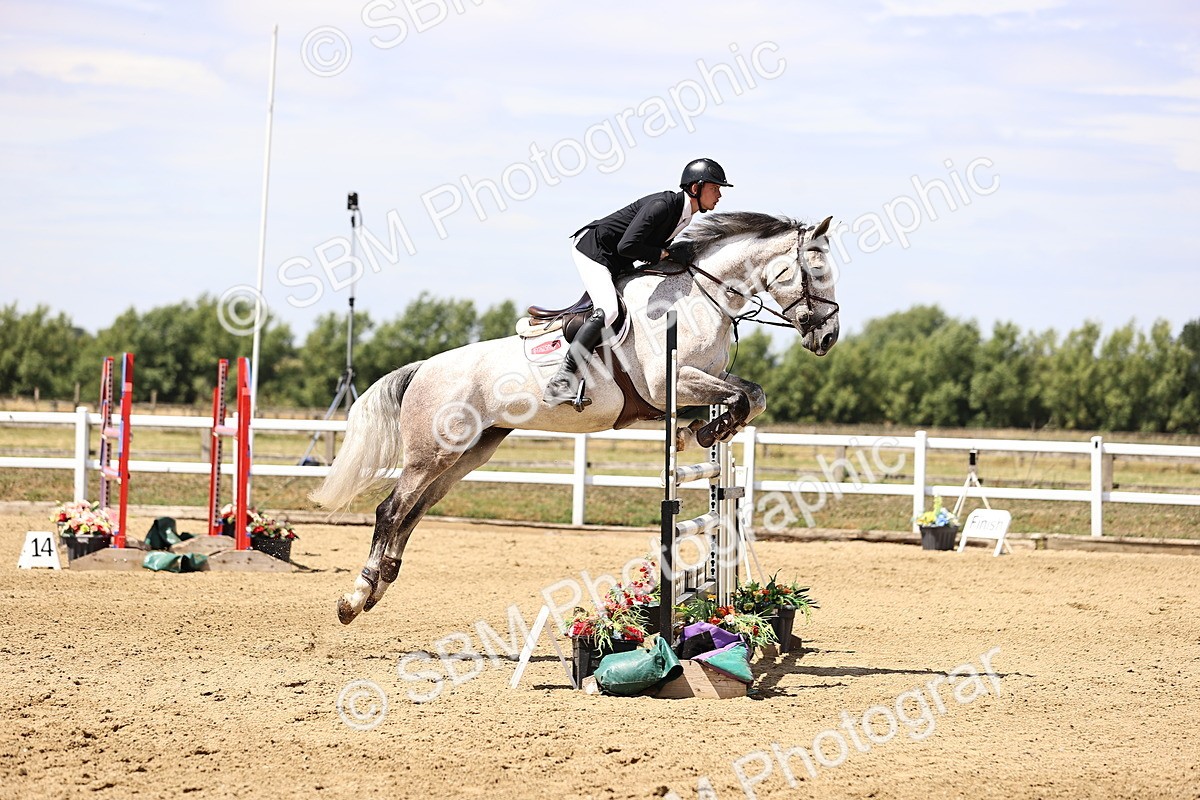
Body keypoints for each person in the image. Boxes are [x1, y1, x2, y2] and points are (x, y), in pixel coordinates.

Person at [542, 157, 733, 407]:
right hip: (594, 249)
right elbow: (627, 245)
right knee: (609, 311)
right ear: (696, 188)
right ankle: (560, 382)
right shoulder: (663, 206)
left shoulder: (685, 215)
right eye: (715, 188)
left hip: (617, 257)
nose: (719, 195)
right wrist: (663, 254)